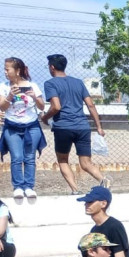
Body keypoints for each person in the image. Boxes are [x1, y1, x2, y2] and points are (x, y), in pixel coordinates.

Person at [40, 54, 107, 195]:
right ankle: (103, 180)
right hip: (82, 126)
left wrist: (45, 118)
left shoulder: (50, 83)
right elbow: (91, 105)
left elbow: (56, 107)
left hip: (63, 127)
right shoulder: (78, 82)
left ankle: (75, 190)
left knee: (63, 160)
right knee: (86, 163)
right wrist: (99, 127)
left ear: (52, 67)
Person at [0, 57, 46, 199]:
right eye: (4, 69)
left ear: (17, 71)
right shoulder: (3, 87)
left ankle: (29, 187)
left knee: (30, 158)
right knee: (17, 157)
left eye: (8, 69)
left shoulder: (33, 86)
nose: (5, 72)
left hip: (32, 127)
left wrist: (35, 97)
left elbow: (42, 106)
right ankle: (18, 187)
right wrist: (10, 96)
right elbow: (1, 107)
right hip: (12, 127)